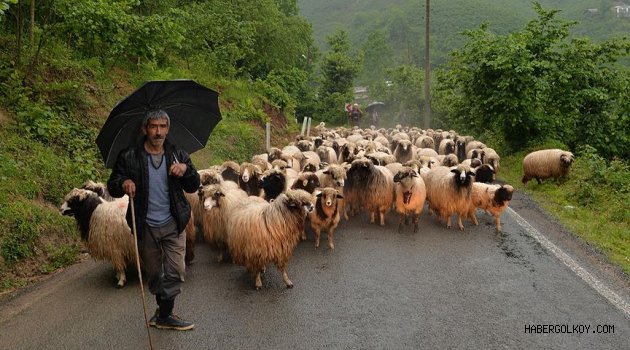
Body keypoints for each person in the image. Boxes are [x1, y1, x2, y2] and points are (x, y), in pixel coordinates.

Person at [107, 109, 200, 331]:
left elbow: (194, 185)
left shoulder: (178, 154)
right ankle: (163, 310)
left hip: (173, 222)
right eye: (153, 126)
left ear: (168, 129)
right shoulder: (128, 156)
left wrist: (185, 170)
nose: (158, 132)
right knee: (155, 274)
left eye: (162, 127)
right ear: (144, 129)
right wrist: (124, 183)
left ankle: (165, 315)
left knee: (176, 270)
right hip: (145, 225)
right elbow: (113, 184)